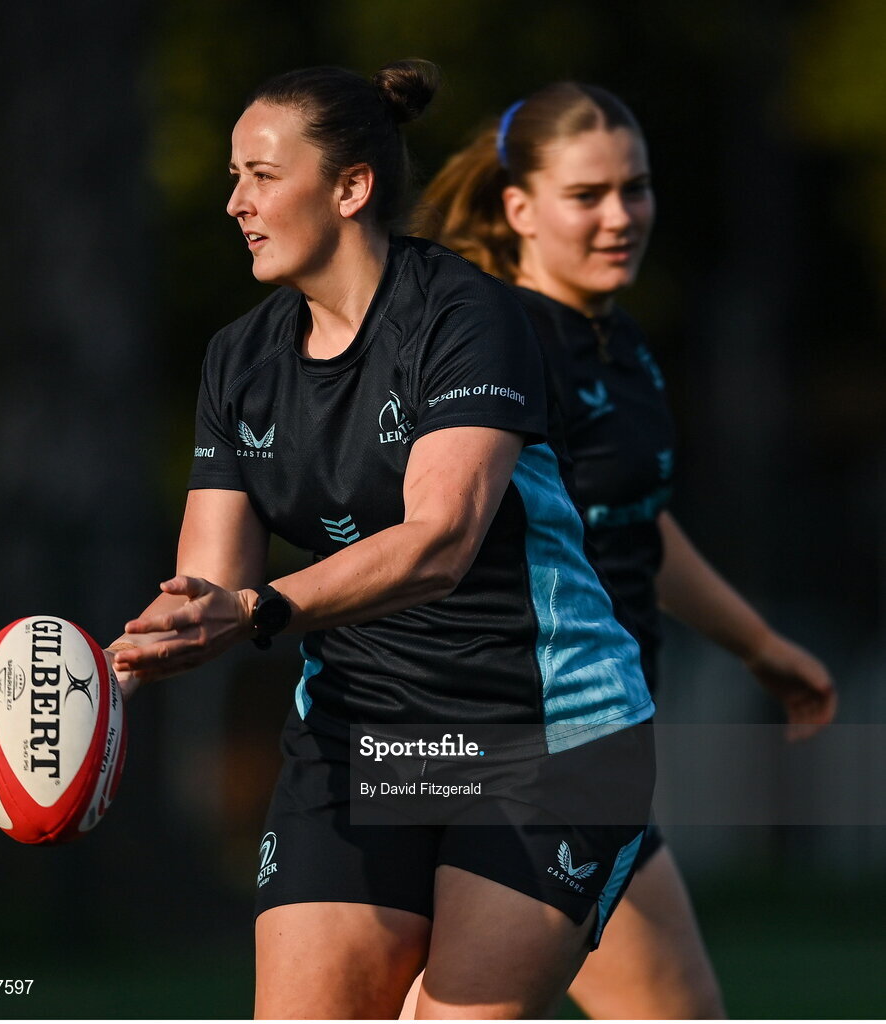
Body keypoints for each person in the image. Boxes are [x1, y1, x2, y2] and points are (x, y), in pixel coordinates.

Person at [107, 62, 660, 1019]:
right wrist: (108, 663)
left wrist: (257, 611)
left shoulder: (468, 315)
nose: (235, 201)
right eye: (233, 176)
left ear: (353, 186)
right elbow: (211, 579)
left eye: (262, 175)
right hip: (363, 740)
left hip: (545, 740)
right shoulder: (239, 358)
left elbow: (439, 540)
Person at [410, 80, 838, 1019]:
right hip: (517, 754)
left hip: (596, 758)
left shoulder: (619, 343)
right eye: (588, 195)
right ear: (519, 207)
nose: (620, 217)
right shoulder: (496, 342)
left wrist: (760, 647)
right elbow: (426, 533)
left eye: (635, 189)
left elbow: (635, 516)